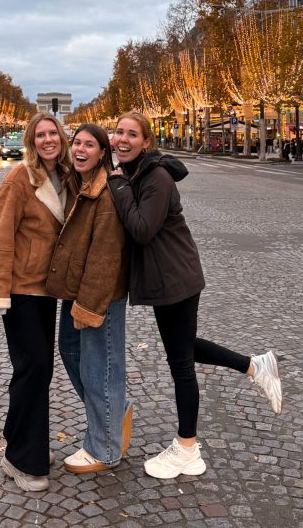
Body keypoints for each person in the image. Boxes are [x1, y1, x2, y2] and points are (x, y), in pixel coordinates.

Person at [108, 112, 281, 480]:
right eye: (119, 132)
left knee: (181, 363)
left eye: (132, 134)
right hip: (169, 275)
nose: (123, 139)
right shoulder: (139, 172)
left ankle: (188, 448)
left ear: (146, 142)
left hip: (175, 278)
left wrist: (117, 185)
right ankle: (255, 366)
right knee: (182, 347)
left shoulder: (153, 176)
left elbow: (141, 230)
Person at [0, 112, 72, 493]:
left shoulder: (66, 176)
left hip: (47, 290)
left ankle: (21, 443)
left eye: (53, 134)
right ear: (31, 141)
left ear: (62, 138)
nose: (48, 140)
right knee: (33, 368)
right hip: (19, 290)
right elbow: (1, 235)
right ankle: (23, 460)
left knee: (38, 370)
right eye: (41, 135)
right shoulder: (20, 178)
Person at [46, 123, 132, 474]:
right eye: (76, 142)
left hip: (99, 295)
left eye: (89, 145)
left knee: (101, 368)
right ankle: (114, 414)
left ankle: (105, 448)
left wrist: (90, 305)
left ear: (102, 152)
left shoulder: (106, 190)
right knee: (72, 352)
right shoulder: (78, 181)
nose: (80, 149)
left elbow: (106, 255)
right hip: (77, 290)